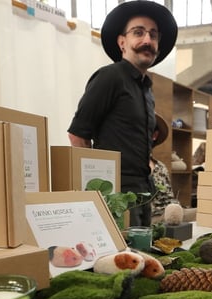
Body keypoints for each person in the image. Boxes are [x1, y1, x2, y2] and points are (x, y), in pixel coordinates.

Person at [67, 1, 177, 227]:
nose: (147, 40)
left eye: (153, 35)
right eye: (138, 32)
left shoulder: (147, 91)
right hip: (116, 195)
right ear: (122, 42)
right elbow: (77, 135)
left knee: (143, 248)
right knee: (123, 250)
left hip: (143, 192)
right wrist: (96, 190)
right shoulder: (110, 77)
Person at [149, 113, 174, 218]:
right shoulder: (125, 166)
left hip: (162, 221)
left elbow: (170, 200)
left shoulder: (161, 168)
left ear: (154, 135)